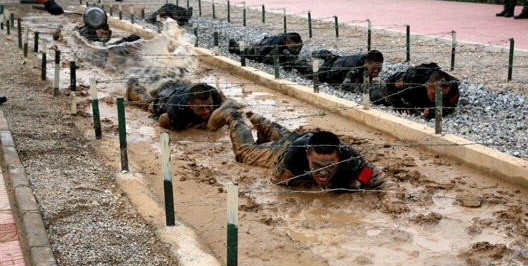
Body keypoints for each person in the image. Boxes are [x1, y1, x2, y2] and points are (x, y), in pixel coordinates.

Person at [207, 104, 389, 190]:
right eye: (318, 166)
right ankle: (234, 115)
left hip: (302, 138)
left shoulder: (352, 160)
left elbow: (375, 179)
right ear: (309, 156)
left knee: (288, 136)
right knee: (245, 154)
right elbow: (278, 182)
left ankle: (258, 118)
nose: (323, 173)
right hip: (285, 148)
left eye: (329, 166)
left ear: (339, 157)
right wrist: (309, 186)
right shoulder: (292, 160)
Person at [370, 62, 460, 119]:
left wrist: (435, 112)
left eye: (442, 95)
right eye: (434, 94)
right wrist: (399, 105)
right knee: (375, 96)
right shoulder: (412, 78)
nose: (438, 98)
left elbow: (450, 107)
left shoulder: (452, 88)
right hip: (409, 92)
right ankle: (369, 85)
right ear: (426, 86)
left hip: (419, 98)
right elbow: (390, 83)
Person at [126, 79, 225, 130]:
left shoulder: (214, 95)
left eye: (209, 105)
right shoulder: (177, 111)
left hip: (179, 85)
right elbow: (162, 120)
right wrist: (188, 128)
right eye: (201, 108)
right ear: (190, 105)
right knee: (149, 104)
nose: (207, 111)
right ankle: (134, 87)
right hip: (163, 97)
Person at [228, 32, 312, 75]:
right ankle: (234, 47)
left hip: (276, 49)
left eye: (298, 47)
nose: (297, 50)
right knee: (245, 52)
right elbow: (262, 57)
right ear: (287, 42)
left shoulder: (297, 40)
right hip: (260, 49)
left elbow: (295, 52)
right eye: (294, 47)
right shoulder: (275, 43)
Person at [311, 49, 384, 92]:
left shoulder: (368, 59)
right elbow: (344, 86)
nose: (376, 70)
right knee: (311, 73)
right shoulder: (355, 68)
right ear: (366, 63)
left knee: (331, 57)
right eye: (374, 67)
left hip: (338, 60)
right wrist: (367, 87)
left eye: (379, 67)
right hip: (328, 71)